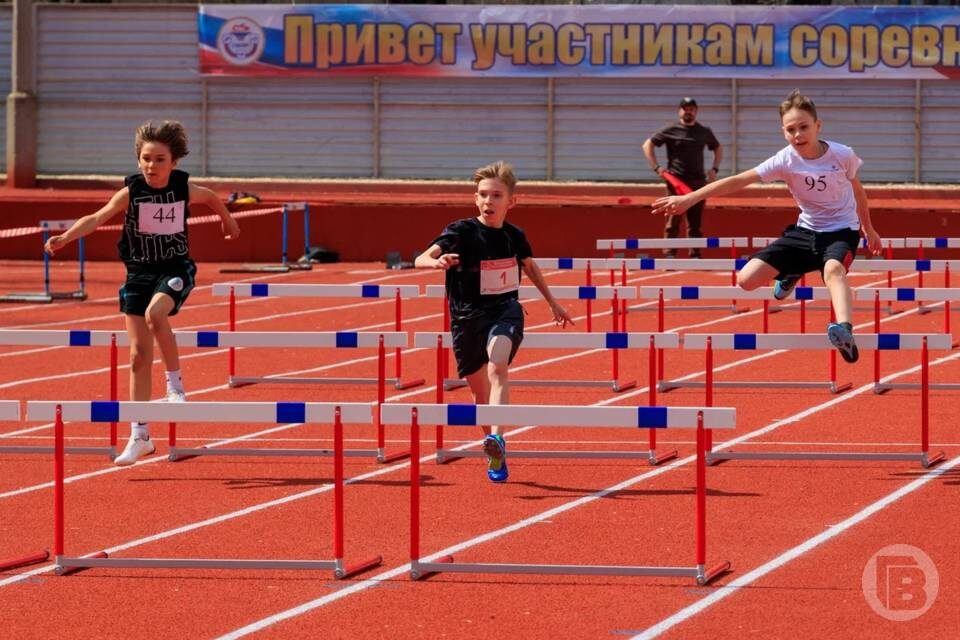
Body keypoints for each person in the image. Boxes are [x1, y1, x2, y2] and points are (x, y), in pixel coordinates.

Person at [44, 121, 241, 465]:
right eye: (146, 159)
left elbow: (210, 197)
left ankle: (176, 387)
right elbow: (97, 217)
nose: (153, 166)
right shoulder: (132, 192)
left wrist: (228, 219)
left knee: (155, 314)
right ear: (138, 161)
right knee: (137, 356)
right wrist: (66, 237)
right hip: (138, 273)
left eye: (160, 159)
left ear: (174, 162)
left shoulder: (181, 187)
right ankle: (140, 436)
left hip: (175, 269)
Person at [651, 89, 882, 363]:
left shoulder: (843, 155)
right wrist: (690, 198)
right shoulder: (785, 159)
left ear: (818, 126)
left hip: (842, 230)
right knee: (746, 280)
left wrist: (868, 228)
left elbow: (858, 192)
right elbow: (739, 179)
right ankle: (793, 270)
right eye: (790, 130)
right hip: (805, 230)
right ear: (783, 132)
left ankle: (844, 330)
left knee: (833, 270)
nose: (798, 135)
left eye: (804, 127)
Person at [415, 161, 574, 483]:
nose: (489, 201)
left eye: (496, 195)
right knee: (479, 392)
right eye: (483, 195)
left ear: (510, 202)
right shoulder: (460, 231)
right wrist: (436, 262)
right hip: (465, 317)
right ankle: (495, 451)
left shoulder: (515, 235)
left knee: (497, 364)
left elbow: (530, 267)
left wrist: (553, 302)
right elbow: (420, 257)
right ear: (476, 199)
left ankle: (498, 436)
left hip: (504, 310)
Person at [643, 97, 723, 258]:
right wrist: (656, 167)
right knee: (673, 219)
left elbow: (718, 148)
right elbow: (647, 144)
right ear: (680, 111)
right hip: (676, 182)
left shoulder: (704, 131)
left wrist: (714, 169)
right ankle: (670, 255)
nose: (689, 111)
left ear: (696, 112)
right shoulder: (671, 129)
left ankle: (695, 255)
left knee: (695, 222)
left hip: (698, 182)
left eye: (692, 109)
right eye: (685, 108)